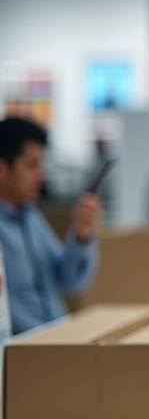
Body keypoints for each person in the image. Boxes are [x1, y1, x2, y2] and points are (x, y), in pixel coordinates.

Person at [0, 117, 101, 335]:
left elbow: (70, 281)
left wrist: (82, 236)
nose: (41, 175)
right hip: (23, 351)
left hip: (56, 339)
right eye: (31, 165)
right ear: (2, 169)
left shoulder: (30, 217)